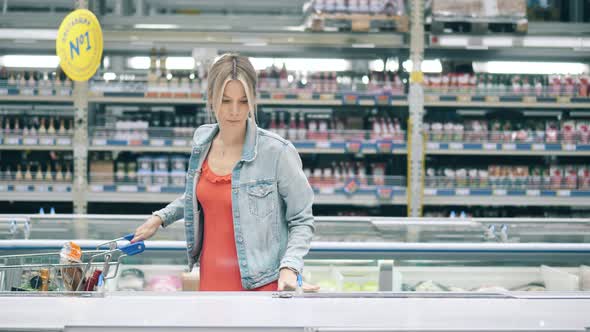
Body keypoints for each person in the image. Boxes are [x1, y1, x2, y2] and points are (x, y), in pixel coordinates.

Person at [131, 53, 319, 292]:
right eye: (225, 100)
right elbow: (200, 193)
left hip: (262, 285)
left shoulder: (277, 152)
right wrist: (161, 217)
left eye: (243, 101)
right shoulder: (203, 142)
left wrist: (290, 268)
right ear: (211, 98)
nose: (234, 111)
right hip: (211, 280)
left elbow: (302, 219)